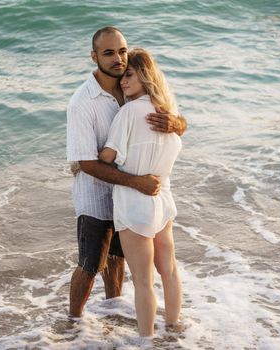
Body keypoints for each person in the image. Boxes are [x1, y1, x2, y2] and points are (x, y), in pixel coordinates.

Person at [66, 27, 187, 318]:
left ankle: (113, 310)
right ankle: (73, 322)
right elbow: (86, 163)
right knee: (91, 263)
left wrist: (176, 124)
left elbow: (174, 122)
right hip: (96, 193)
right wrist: (137, 183)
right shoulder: (82, 103)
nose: (118, 59)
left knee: (118, 258)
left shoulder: (132, 84)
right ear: (94, 56)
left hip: (129, 200)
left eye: (122, 50)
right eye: (108, 53)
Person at [99, 48, 183, 337]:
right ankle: (174, 328)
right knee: (169, 270)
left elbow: (108, 156)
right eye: (122, 77)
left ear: (145, 75)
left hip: (135, 205)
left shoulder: (128, 112)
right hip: (163, 201)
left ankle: (146, 340)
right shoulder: (168, 114)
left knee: (143, 281)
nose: (123, 82)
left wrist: (85, 155)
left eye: (129, 75)